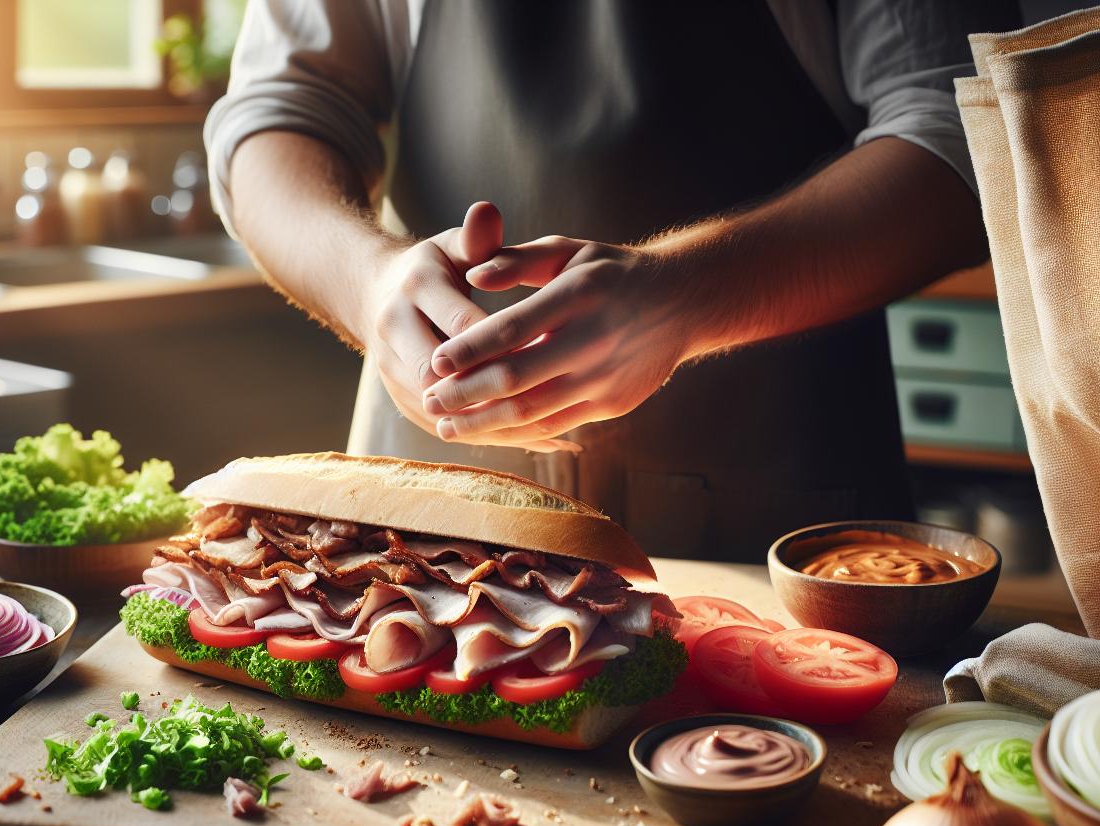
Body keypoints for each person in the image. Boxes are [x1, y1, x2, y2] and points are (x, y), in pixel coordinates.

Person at [206, 0, 1016, 561]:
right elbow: (277, 115)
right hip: (441, 496)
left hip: (784, 508)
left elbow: (960, 128)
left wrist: (687, 295)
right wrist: (368, 281)